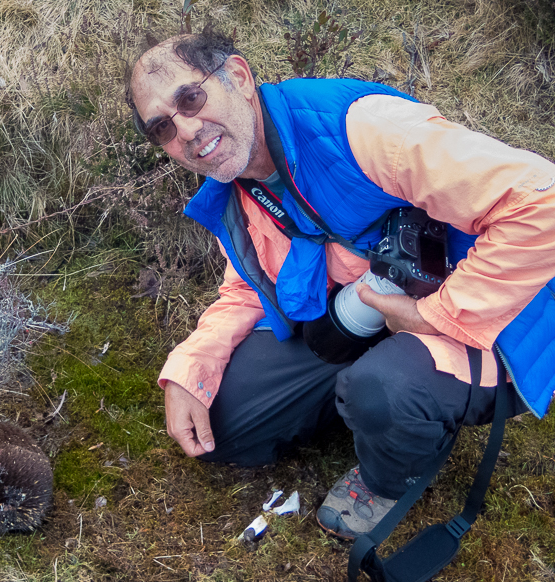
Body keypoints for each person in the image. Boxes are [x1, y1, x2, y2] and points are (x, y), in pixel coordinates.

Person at [125, 30, 555, 540]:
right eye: (162, 128)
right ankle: (378, 398)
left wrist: (433, 315)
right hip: (370, 312)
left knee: (382, 391)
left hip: (490, 315)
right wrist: (191, 369)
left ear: (238, 77)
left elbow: (540, 203)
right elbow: (247, 287)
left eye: (191, 98)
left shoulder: (362, 129)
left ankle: (391, 468)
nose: (187, 131)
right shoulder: (238, 182)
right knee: (224, 422)